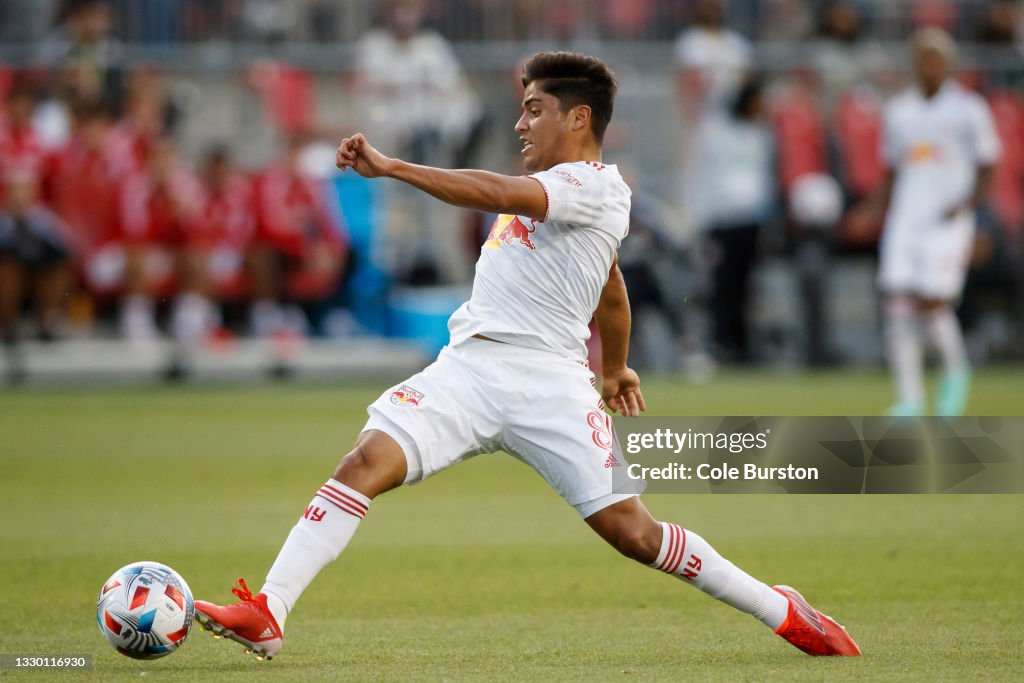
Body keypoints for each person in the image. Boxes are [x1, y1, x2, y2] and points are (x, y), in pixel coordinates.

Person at [194, 51, 859, 661]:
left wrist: (393, 167)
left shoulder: (597, 186)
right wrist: (618, 366)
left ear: (578, 117)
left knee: (633, 534)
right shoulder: (560, 194)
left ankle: (782, 609)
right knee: (364, 461)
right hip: (469, 369)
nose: (520, 124)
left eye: (534, 109)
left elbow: (495, 193)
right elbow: (614, 291)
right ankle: (269, 611)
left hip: (549, 387)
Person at [872, 29, 1001, 416]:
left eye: (936, 58)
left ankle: (956, 374)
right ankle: (909, 400)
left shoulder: (969, 108)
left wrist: (973, 210)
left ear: (948, 63)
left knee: (932, 304)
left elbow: (988, 166)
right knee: (897, 304)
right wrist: (874, 209)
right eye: (922, 57)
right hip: (905, 219)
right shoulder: (899, 111)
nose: (928, 65)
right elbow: (892, 170)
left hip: (947, 220)